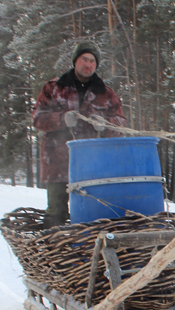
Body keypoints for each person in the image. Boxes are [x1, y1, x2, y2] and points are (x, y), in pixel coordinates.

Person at [31, 41, 127, 227]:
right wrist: (61, 119)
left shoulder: (107, 94)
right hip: (58, 163)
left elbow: (121, 123)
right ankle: (55, 253)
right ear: (75, 61)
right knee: (55, 215)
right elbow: (37, 118)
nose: (88, 64)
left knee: (92, 214)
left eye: (92, 61)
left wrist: (106, 125)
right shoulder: (53, 88)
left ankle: (88, 253)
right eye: (84, 59)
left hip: (93, 166)